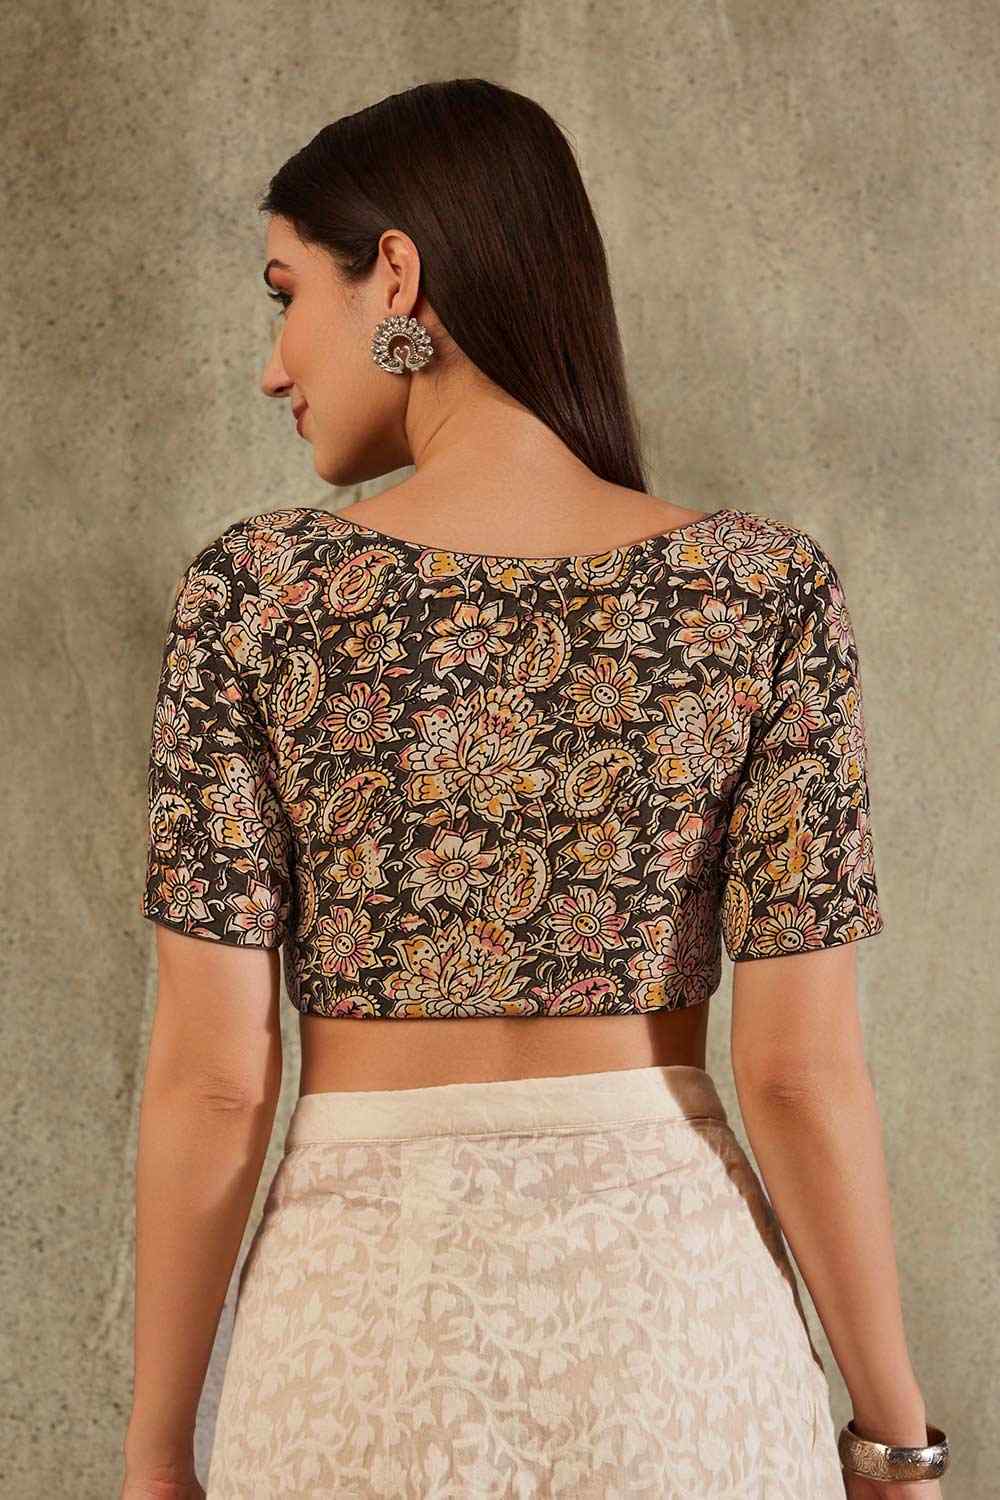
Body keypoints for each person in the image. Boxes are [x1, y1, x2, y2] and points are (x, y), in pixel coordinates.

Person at [121, 79, 949, 1500]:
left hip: (358, 1350)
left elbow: (212, 1083)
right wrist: (895, 1436)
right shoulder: (760, 593)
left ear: (396, 275)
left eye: (285, 294)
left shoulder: (260, 596)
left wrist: (156, 1458)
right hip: (679, 1353)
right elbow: (799, 1079)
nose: (273, 365)